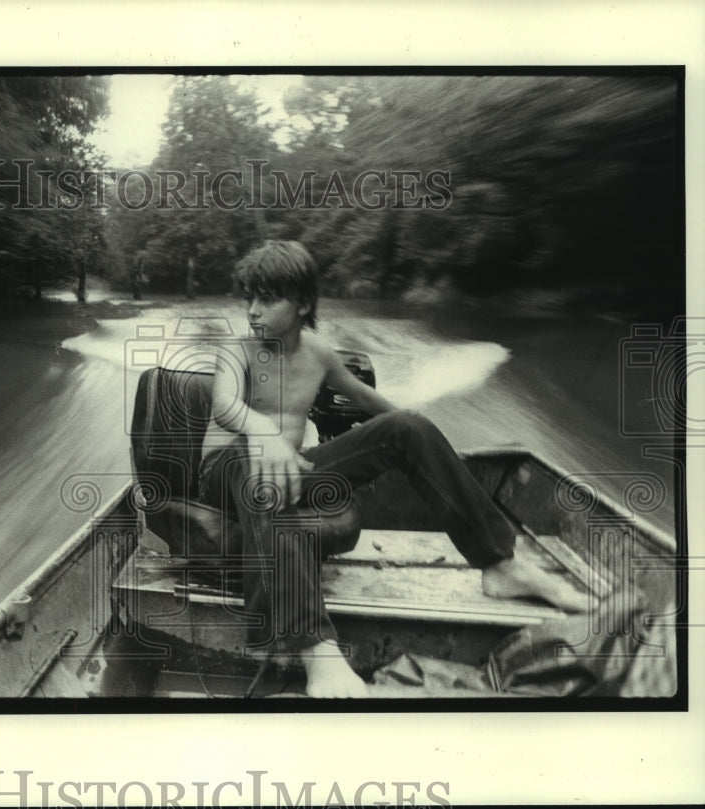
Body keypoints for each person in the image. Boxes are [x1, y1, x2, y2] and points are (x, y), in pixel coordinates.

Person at [198, 240, 592, 698]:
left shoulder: (320, 355)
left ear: (303, 302)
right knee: (263, 471)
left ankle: (501, 566)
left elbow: (374, 407)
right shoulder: (238, 352)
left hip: (292, 472)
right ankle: (314, 649)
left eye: (266, 299)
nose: (252, 310)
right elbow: (225, 404)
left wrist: (423, 437)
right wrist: (261, 432)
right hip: (225, 471)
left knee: (408, 428)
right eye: (248, 298)